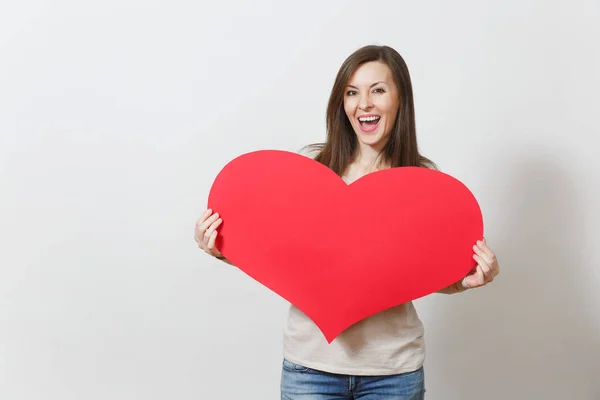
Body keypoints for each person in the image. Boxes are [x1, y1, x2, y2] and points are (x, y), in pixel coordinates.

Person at [194, 45, 500, 399]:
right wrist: (219, 247)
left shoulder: (423, 182)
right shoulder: (309, 167)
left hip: (393, 372)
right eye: (352, 92)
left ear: (401, 99)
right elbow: (277, 254)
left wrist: (466, 279)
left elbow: (426, 274)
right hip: (309, 369)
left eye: (378, 90)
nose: (364, 103)